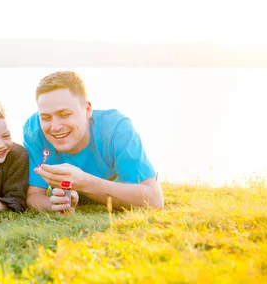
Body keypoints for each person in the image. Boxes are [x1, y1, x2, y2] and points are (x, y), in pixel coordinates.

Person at [23, 71, 164, 212]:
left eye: (65, 115)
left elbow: (155, 200)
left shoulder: (117, 129)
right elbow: (34, 194)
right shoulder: (34, 131)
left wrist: (83, 182)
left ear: (87, 109)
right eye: (46, 117)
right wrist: (56, 205)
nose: (55, 127)